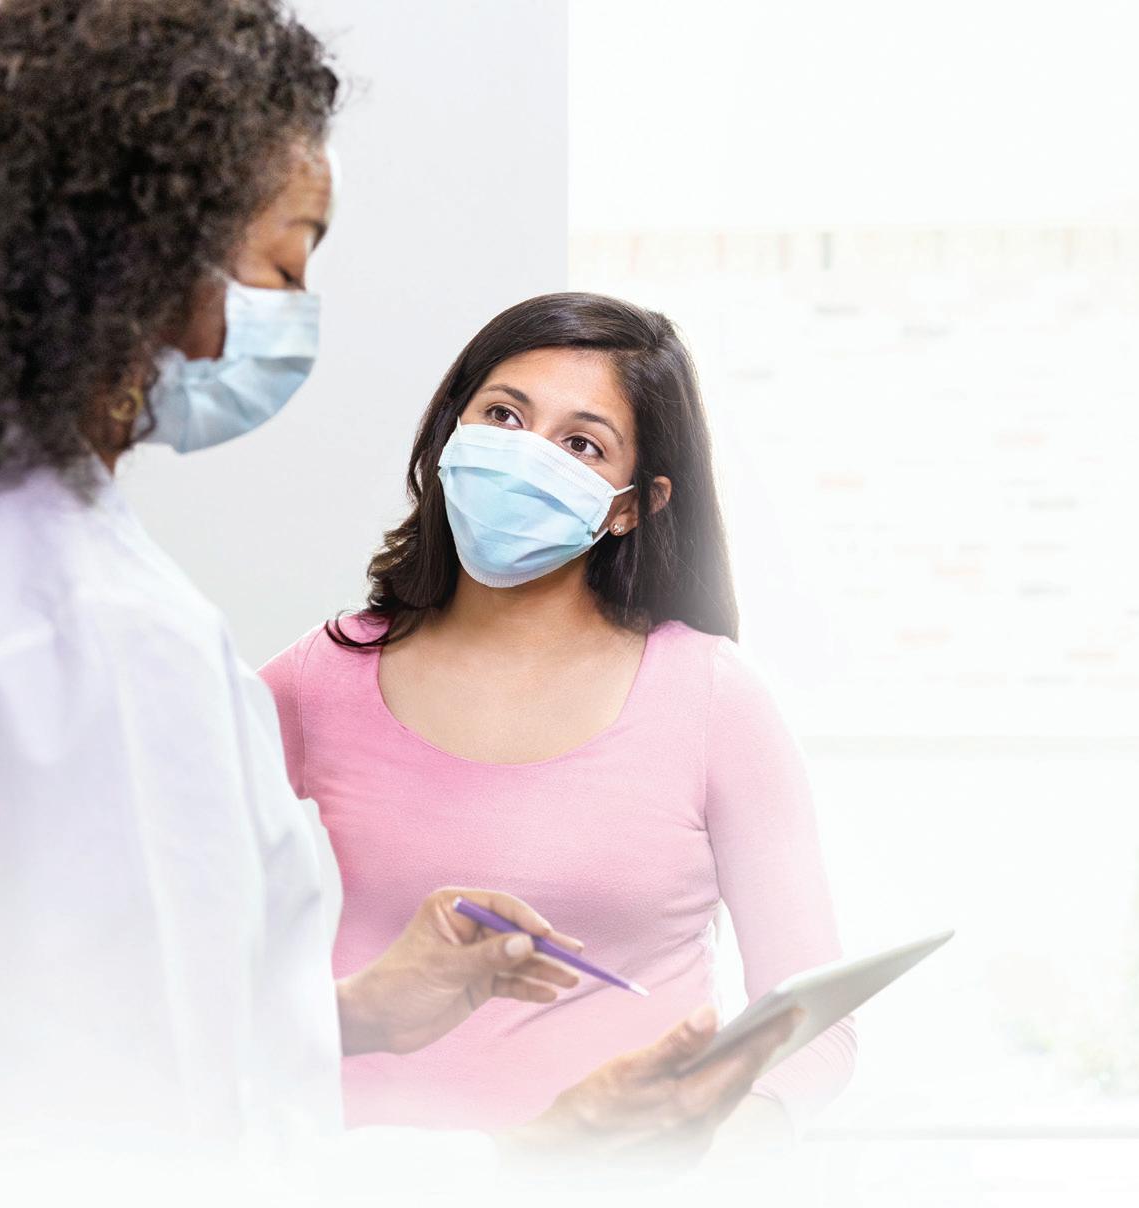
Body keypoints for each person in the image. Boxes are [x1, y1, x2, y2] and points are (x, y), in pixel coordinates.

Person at [0, 0, 792, 1172]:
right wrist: (535, 1154)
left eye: (582, 442)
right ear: (151, 256)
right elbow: (140, 1154)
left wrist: (353, 1013)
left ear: (637, 500)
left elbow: (82, 1017)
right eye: (286, 261)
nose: (295, 310)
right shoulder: (103, 637)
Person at [259, 293, 856, 1143]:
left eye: (581, 444)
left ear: (631, 504)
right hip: (366, 1179)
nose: (524, 456)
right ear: (450, 431)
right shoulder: (319, 677)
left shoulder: (712, 698)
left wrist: (709, 1145)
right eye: (503, 415)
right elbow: (146, 916)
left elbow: (814, 1024)